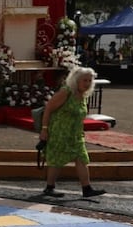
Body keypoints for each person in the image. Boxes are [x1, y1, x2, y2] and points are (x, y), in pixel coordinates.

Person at [38, 67, 107, 199]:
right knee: (56, 159)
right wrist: (44, 129)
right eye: (84, 80)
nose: (87, 83)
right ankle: (49, 187)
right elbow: (48, 109)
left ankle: (87, 188)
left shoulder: (83, 96)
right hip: (59, 132)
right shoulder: (66, 92)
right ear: (76, 80)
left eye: (89, 81)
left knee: (82, 158)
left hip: (75, 134)